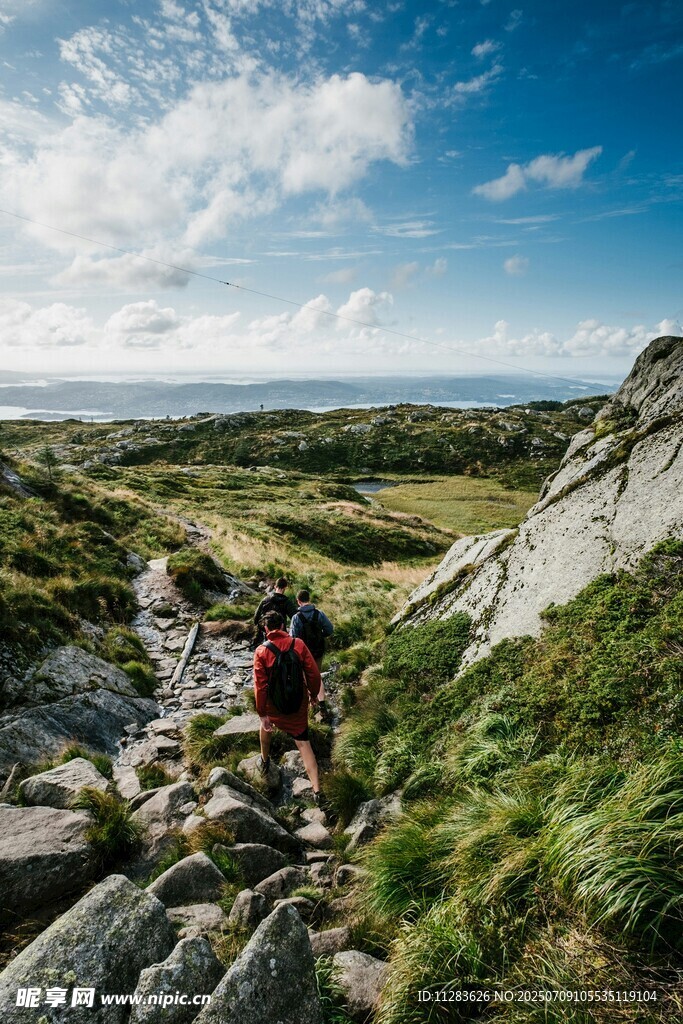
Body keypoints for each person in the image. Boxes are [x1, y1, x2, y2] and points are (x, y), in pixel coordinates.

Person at [253, 610, 327, 804]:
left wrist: (262, 713)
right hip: (298, 702)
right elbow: (314, 675)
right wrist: (312, 695)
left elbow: (260, 687)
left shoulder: (261, 651)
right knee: (303, 742)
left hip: (273, 705)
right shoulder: (299, 644)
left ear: (266, 629)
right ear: (284, 626)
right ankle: (317, 791)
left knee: (266, 727)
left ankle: (265, 759)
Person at [290, 589, 333, 669]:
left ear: (298, 601)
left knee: (304, 676)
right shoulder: (320, 614)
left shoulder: (296, 618)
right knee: (316, 673)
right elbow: (330, 630)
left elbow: (293, 639)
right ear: (309, 599)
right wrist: (320, 635)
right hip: (318, 651)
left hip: (303, 652)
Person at [253, 577, 297, 644]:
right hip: (281, 632)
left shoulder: (265, 600)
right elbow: (295, 618)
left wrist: (263, 628)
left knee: (268, 651)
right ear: (285, 588)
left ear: (275, 586)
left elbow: (256, 618)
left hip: (268, 632)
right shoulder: (287, 602)